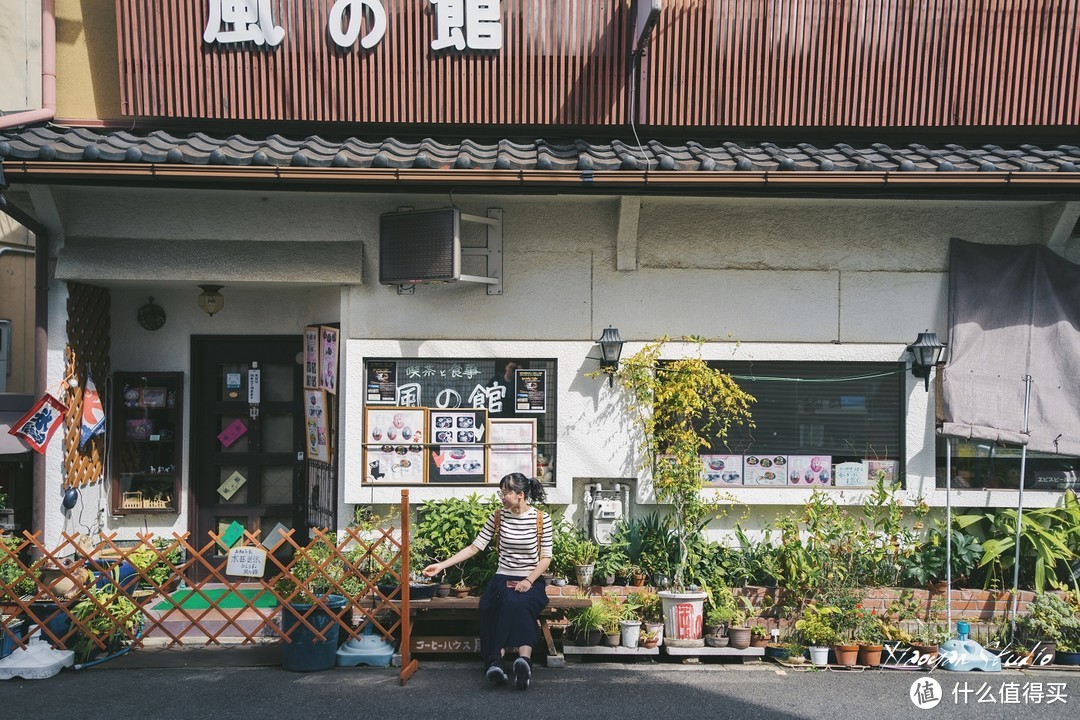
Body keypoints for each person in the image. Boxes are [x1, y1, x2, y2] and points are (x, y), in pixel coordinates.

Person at [422, 472, 552, 690]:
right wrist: (442, 565)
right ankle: (497, 664)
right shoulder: (498, 517)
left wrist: (528, 581)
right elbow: (475, 547)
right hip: (503, 577)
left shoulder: (541, 519)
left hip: (531, 579)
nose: (501, 497)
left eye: (505, 493)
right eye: (500, 492)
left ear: (520, 494)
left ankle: (521, 661)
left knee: (518, 603)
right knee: (491, 605)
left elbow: (546, 557)